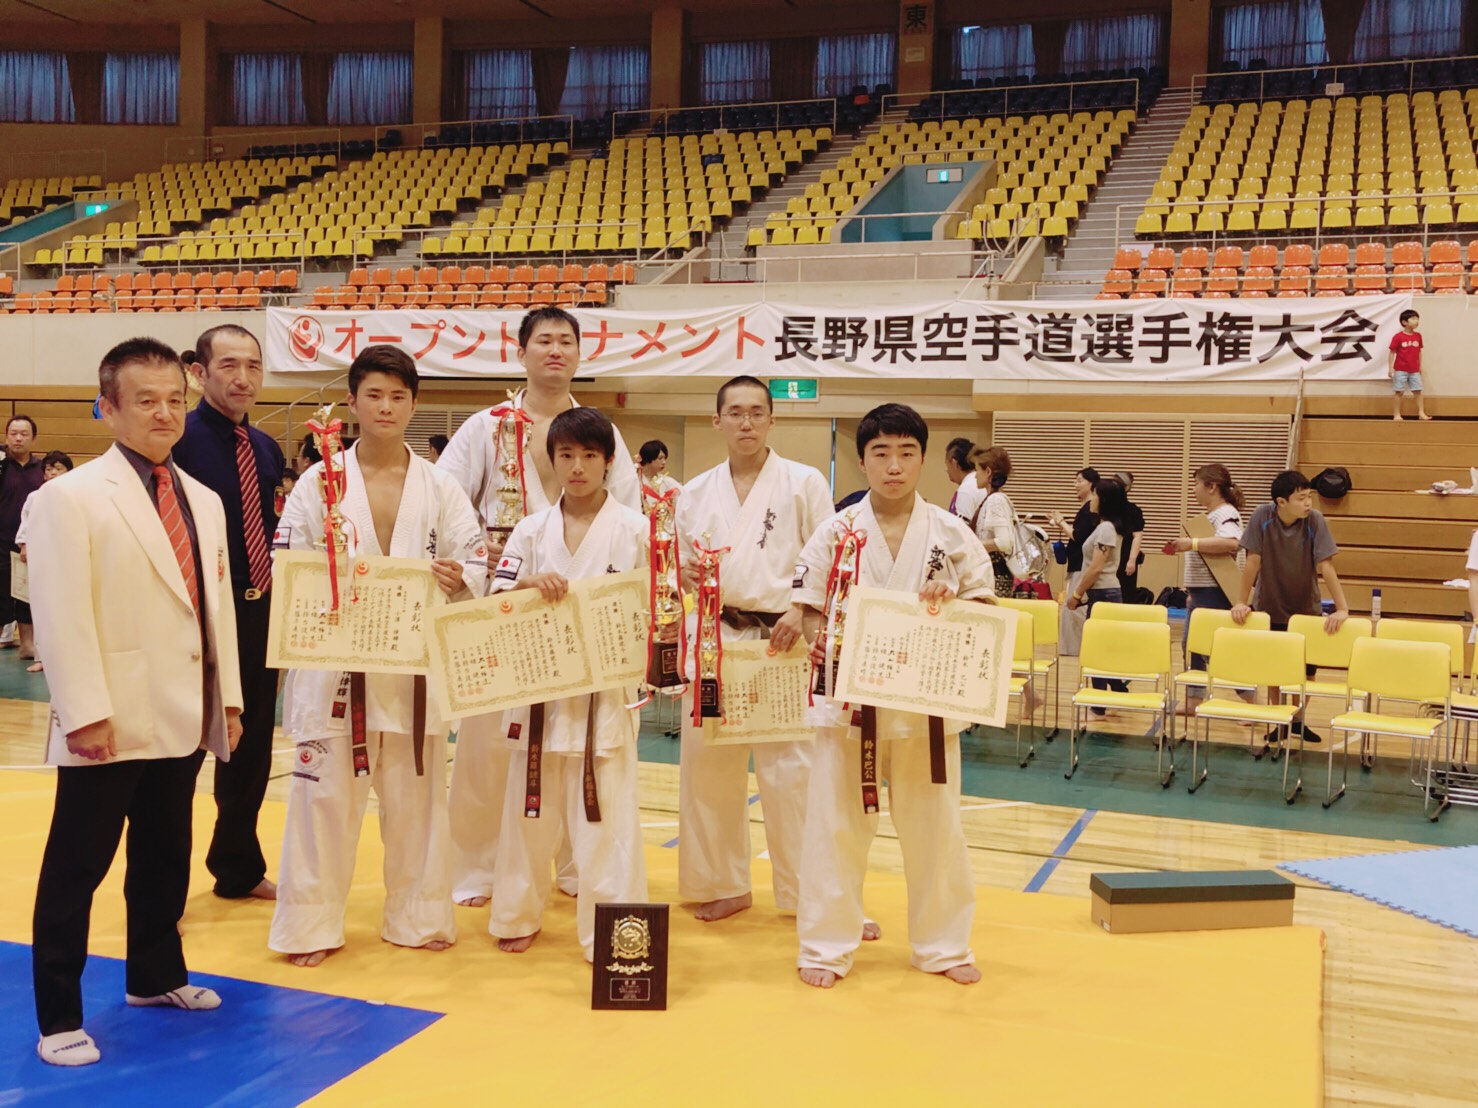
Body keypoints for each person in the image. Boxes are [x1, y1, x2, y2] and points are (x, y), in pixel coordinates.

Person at [28, 338, 243, 1067]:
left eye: (174, 399)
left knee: (164, 854)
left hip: (182, 707)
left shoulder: (204, 499)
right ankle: (58, 1014)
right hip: (108, 715)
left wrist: (230, 699)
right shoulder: (68, 495)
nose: (164, 412)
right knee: (76, 867)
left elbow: (216, 610)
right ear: (108, 408)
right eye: (145, 400)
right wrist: (83, 709)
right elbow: (59, 614)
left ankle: (155, 977)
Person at [269, 346, 485, 968]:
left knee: (417, 802)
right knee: (323, 801)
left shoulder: (440, 486)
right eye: (374, 395)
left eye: (398, 396)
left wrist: (458, 577)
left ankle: (417, 918)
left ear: (413, 404)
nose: (386, 407)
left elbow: (475, 561)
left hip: (414, 667)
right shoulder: (320, 481)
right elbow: (290, 564)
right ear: (354, 402)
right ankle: (310, 927)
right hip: (335, 666)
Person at [438, 306, 641, 909]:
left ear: (580, 354)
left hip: (588, 618)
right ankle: (475, 870)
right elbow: (447, 505)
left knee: (583, 749)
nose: (555, 350)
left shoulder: (601, 428)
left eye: (566, 342)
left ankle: (579, 870)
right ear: (521, 351)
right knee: (486, 751)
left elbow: (626, 515)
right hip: (508, 606)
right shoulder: (486, 426)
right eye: (543, 341)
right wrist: (489, 560)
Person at [784, 403, 990, 989]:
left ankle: (943, 945)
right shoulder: (837, 530)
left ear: (923, 459)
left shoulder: (952, 534)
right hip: (848, 707)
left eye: (906, 453)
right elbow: (805, 609)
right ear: (862, 460)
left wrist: (953, 603)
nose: (894, 466)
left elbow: (985, 609)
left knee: (938, 830)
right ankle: (825, 947)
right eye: (881, 453)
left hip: (927, 708)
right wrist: (818, 640)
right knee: (835, 828)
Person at [488, 407, 649, 960]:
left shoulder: (637, 530)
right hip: (538, 693)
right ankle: (515, 913)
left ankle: (611, 933)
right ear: (552, 461)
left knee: (607, 822)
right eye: (566, 456)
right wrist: (527, 584)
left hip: (604, 698)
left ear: (608, 462)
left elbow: (656, 610)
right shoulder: (530, 530)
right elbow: (494, 599)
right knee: (527, 813)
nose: (577, 467)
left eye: (589, 456)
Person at [675, 375, 833, 924]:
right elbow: (678, 572)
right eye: (735, 413)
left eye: (756, 412)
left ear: (772, 420)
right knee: (708, 769)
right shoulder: (692, 493)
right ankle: (722, 883)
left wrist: (804, 609)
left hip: (781, 641)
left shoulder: (803, 483)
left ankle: (807, 892)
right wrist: (685, 571)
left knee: (793, 775)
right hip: (717, 642)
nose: (746, 422)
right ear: (716, 421)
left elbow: (829, 559)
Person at [172, 324, 285, 902]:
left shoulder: (266, 448)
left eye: (253, 366)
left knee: (252, 749)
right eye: (229, 366)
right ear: (200, 371)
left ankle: (237, 868)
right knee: (184, 753)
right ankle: (161, 891)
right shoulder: (179, 441)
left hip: (261, 615)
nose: (243, 378)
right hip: (200, 619)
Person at [1231, 470, 1351, 746]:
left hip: (1305, 609)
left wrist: (1342, 608)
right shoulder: (1262, 517)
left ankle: (1297, 718)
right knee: (1275, 669)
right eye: (1301, 498)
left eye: (1309, 497)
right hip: (1269, 605)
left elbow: (1326, 566)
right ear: (1281, 502)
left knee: (1306, 671)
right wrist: (1241, 601)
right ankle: (1279, 720)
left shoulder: (1315, 521)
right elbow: (1252, 562)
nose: (1308, 503)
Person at [1166, 464, 1245, 714]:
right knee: (1192, 646)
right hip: (1202, 591)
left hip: (1216, 592)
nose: (1194, 489)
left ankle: (1252, 700)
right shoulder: (1213, 514)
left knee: (1217, 650)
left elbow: (1232, 542)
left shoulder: (1225, 513)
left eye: (1197, 484)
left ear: (1211, 487)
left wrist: (1192, 543)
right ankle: (1193, 700)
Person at [14, 450, 74, 673]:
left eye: (58, 468)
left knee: (68, 609)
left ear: (68, 471)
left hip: (69, 558)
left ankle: (67, 657)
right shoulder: (35, 497)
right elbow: (25, 524)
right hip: (42, 557)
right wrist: (24, 545)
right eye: (49, 469)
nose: (53, 473)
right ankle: (42, 657)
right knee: (41, 608)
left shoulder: (77, 495)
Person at [0, 414, 46, 661]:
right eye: (13, 434)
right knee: (1, 594)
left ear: (33, 438)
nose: (18, 438)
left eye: (23, 434)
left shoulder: (42, 469)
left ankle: (28, 645)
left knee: (28, 596)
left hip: (33, 542)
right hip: (1, 541)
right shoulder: (1, 464)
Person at [970, 445, 1017, 598]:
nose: (975, 475)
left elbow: (1004, 542)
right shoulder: (992, 499)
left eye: (977, 470)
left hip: (995, 577)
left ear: (988, 472)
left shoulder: (996, 500)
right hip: (992, 574)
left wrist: (973, 544)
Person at [1389, 309, 1430, 422]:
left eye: (1417, 319)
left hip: (1414, 369)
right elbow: (1392, 352)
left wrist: (1420, 366)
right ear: (1404, 322)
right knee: (1399, 392)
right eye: (1413, 319)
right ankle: (1396, 414)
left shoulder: (1418, 336)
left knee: (1418, 391)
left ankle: (1421, 412)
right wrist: (1390, 367)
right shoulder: (1398, 337)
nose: (1416, 321)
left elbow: (1419, 351)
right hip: (1400, 369)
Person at [1114, 471, 1146, 600]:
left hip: (1126, 556)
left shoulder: (1134, 510)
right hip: (1108, 556)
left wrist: (1132, 560)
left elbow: (1137, 536)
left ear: (1127, 488)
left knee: (1126, 594)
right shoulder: (1106, 507)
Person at [944, 436, 982, 520]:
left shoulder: (966, 490)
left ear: (954, 463)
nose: (947, 470)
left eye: (947, 465)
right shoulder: (980, 482)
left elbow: (961, 528)